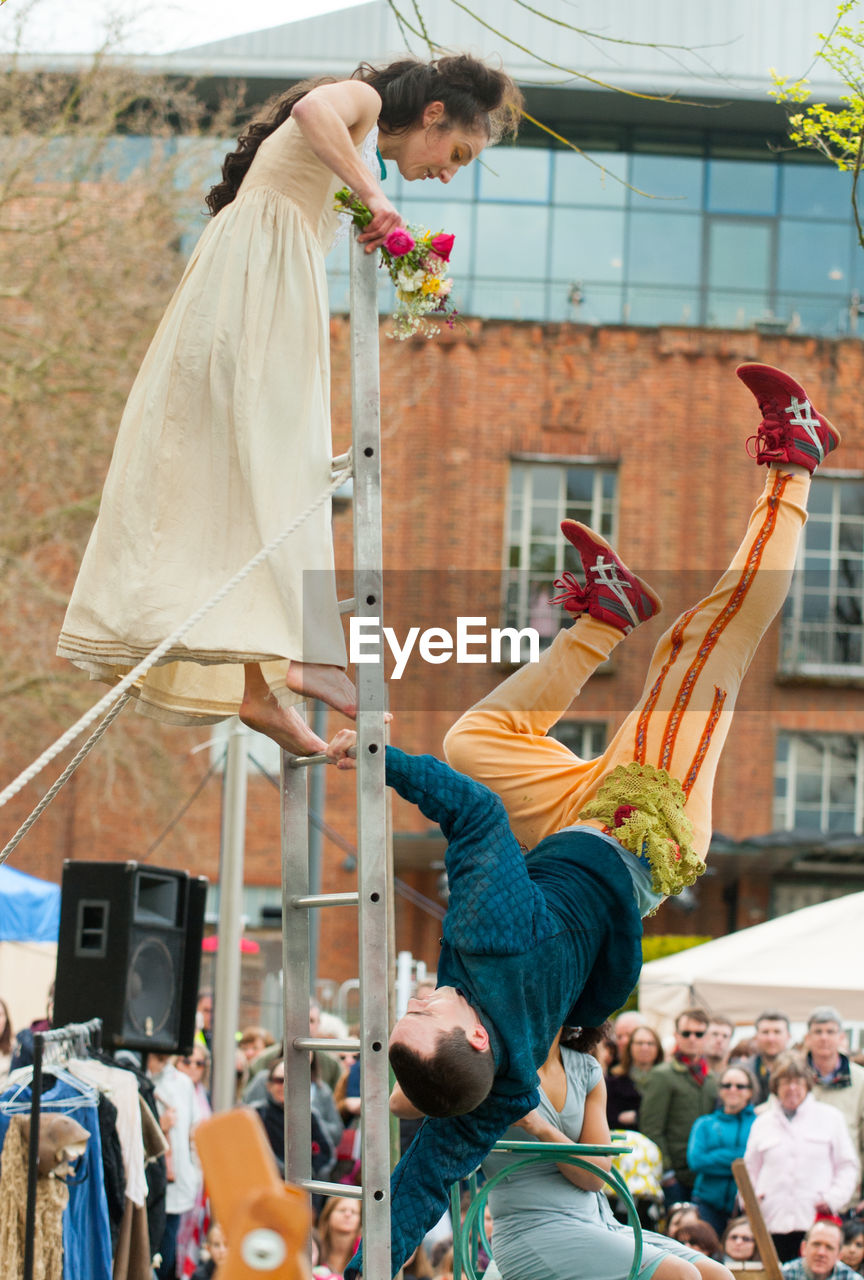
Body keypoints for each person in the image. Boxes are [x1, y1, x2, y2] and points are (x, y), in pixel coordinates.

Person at [330, 363, 843, 1280]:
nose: (419, 995)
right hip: (644, 822)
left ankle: (605, 616)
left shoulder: (492, 1092)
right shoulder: (491, 942)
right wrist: (373, 759)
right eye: (424, 1009)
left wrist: (353, 1269)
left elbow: (415, 1189)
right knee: (700, 648)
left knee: (478, 733)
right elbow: (475, 815)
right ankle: (796, 460)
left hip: (577, 833)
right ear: (472, 1034)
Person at [56, 56, 521, 755]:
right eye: (455, 153)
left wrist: (395, 237)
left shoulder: (358, 150)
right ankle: (300, 656)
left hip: (266, 291)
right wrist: (375, 192)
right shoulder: (358, 101)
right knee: (280, 468)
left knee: (259, 476)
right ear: (432, 115)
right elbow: (311, 111)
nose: (449, 171)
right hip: (252, 292)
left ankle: (262, 692)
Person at [480, 1027, 733, 1280]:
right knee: (680, 1275)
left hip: (598, 1220)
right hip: (531, 1228)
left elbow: (594, 1177)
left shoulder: (586, 1068)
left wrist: (541, 1129)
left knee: (717, 1274)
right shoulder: (496, 1065)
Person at [743, 1053, 858, 1262]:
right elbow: (750, 1169)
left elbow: (847, 1166)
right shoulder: (762, 1122)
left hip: (814, 1221)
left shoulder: (830, 1117)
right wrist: (750, 1200)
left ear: (808, 1084)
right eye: (785, 1082)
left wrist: (833, 1198)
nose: (792, 1088)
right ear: (776, 1086)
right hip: (771, 1221)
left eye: (797, 1082)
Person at [640, 1009, 719, 1206]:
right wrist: (667, 1172)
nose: (692, 1038)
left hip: (704, 1175)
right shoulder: (662, 1075)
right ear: (676, 1036)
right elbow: (651, 1127)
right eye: (686, 1033)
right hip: (674, 1175)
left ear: (706, 1037)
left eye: (699, 1034)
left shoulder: (713, 1080)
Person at [686, 1064, 758, 1236]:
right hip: (707, 1203)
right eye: (727, 1085)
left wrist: (717, 1156)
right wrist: (739, 1160)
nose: (733, 1089)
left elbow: (756, 1162)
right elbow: (696, 1161)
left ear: (749, 1091)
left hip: (746, 1206)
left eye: (740, 1086)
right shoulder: (704, 1123)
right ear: (720, 1090)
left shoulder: (760, 1124)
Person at [804, 1008, 864, 1211]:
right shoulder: (794, 1078)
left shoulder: (860, 1080)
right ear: (808, 1038)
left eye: (830, 1032)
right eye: (818, 1032)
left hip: (846, 1195)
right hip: (800, 1193)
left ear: (840, 1037)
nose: (824, 1038)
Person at [606, 1024, 664, 1129]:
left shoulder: (666, 1080)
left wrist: (636, 1117)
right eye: (639, 1043)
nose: (645, 1047)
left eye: (650, 1043)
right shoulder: (613, 1082)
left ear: (658, 1048)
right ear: (630, 1047)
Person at [780, 1219, 860, 1280]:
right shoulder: (783, 1275)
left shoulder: (851, 1278)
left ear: (839, 1255)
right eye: (816, 1244)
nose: (821, 1253)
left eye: (829, 1247)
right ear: (803, 1248)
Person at [744, 1011, 792, 1106]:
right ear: (756, 1037)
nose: (771, 1038)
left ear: (788, 1036)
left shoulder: (803, 1070)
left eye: (777, 1032)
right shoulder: (743, 1071)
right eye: (765, 1032)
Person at [313, 1197, 362, 1279]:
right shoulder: (314, 1244)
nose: (348, 1214)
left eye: (354, 1212)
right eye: (342, 1210)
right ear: (328, 1215)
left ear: (360, 1220)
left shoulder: (364, 1250)